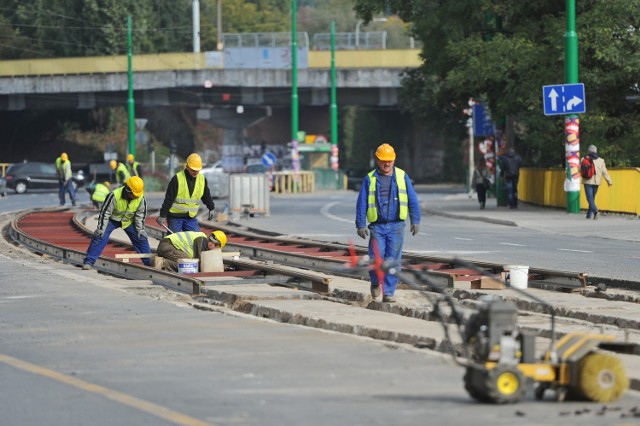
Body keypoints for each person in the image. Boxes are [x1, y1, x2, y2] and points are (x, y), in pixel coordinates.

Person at [355, 143, 421, 303]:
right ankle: (376, 282)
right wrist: (360, 223)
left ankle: (389, 292)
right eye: (383, 160)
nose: (387, 164)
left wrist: (415, 219)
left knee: (393, 260)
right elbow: (362, 201)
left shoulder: (401, 176)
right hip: (377, 226)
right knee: (376, 258)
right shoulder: (369, 179)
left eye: (389, 160)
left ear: (394, 160)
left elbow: (412, 199)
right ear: (377, 160)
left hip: (396, 226)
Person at [81, 176, 151, 269]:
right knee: (100, 236)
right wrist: (101, 228)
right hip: (112, 219)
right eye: (134, 194)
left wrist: (140, 230)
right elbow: (105, 213)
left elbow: (140, 216)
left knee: (141, 238)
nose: (136, 196)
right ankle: (89, 262)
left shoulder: (140, 198)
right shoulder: (114, 195)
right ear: (128, 189)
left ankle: (150, 263)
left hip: (128, 221)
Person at [156, 153, 216, 233]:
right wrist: (162, 215)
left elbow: (206, 195)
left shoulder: (202, 179)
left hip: (191, 217)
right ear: (187, 167)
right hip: (175, 217)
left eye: (197, 170)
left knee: (195, 239)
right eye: (193, 170)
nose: (195, 172)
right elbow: (169, 199)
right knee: (174, 240)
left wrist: (211, 208)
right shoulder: (177, 179)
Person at [156, 230, 227, 272]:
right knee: (190, 265)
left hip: (169, 245)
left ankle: (165, 262)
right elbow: (199, 263)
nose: (212, 245)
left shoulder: (204, 240)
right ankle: (164, 263)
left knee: (189, 263)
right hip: (167, 245)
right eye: (215, 245)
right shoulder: (201, 240)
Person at [582, 144, 612, 220]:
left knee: (589, 198)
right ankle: (589, 215)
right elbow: (604, 172)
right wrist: (609, 181)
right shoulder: (601, 160)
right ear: (596, 151)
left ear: (588, 151)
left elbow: (579, 169)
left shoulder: (584, 159)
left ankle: (595, 211)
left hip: (587, 181)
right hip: (597, 182)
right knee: (592, 198)